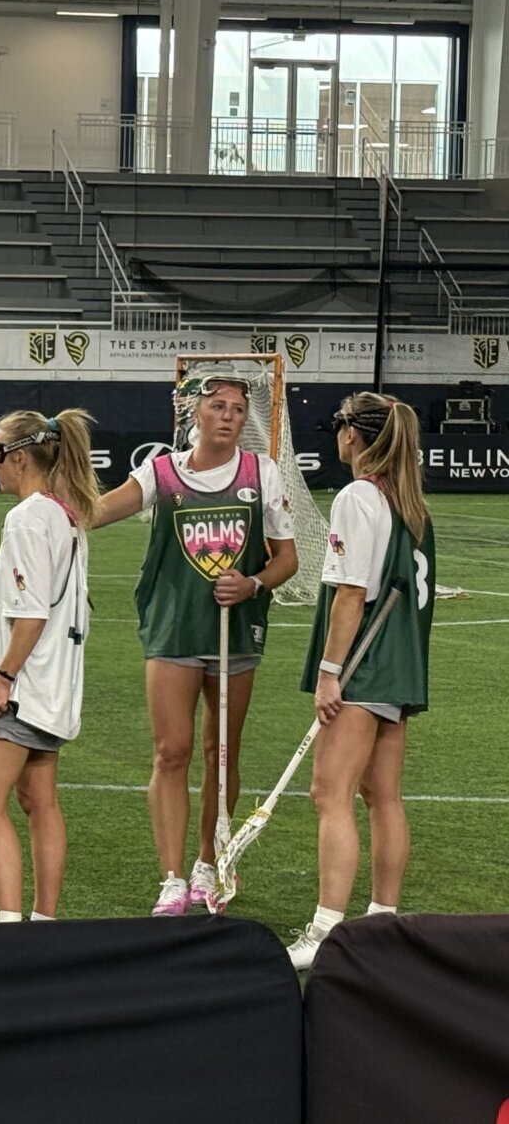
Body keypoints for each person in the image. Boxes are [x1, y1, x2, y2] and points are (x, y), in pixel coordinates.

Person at [94, 374, 298, 915]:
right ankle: (171, 877)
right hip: (173, 628)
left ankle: (209, 863)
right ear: (195, 414)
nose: (228, 416)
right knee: (171, 752)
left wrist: (253, 583)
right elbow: (98, 512)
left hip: (235, 631)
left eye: (236, 409)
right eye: (217, 406)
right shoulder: (161, 473)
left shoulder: (263, 473)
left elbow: (286, 559)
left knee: (221, 753)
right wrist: (50, 498)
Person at [287, 394, 435, 971]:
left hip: (363, 666)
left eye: (340, 425)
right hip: (399, 667)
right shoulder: (412, 504)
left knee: (331, 794)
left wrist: (329, 673)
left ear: (354, 435)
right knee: (383, 796)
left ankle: (327, 929)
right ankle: (382, 919)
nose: (336, 434)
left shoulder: (359, 496)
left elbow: (351, 593)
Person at [0, 410, 98, 924]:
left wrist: (2, 679)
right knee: (40, 803)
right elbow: (45, 602)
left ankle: (9, 929)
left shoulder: (26, 518)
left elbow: (33, 614)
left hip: (22, 688)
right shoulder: (65, 514)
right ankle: (43, 924)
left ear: (19, 458)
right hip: (53, 689)